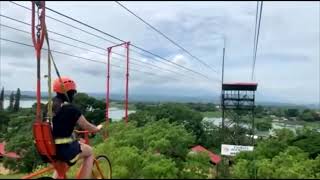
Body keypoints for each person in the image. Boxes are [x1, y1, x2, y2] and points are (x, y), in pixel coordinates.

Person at [50, 76, 102, 179]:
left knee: (62, 165)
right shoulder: (71, 109)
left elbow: (56, 125)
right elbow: (86, 125)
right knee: (90, 152)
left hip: (47, 149)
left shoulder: (49, 106)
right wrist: (97, 129)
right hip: (63, 150)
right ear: (70, 93)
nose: (74, 95)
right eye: (73, 92)